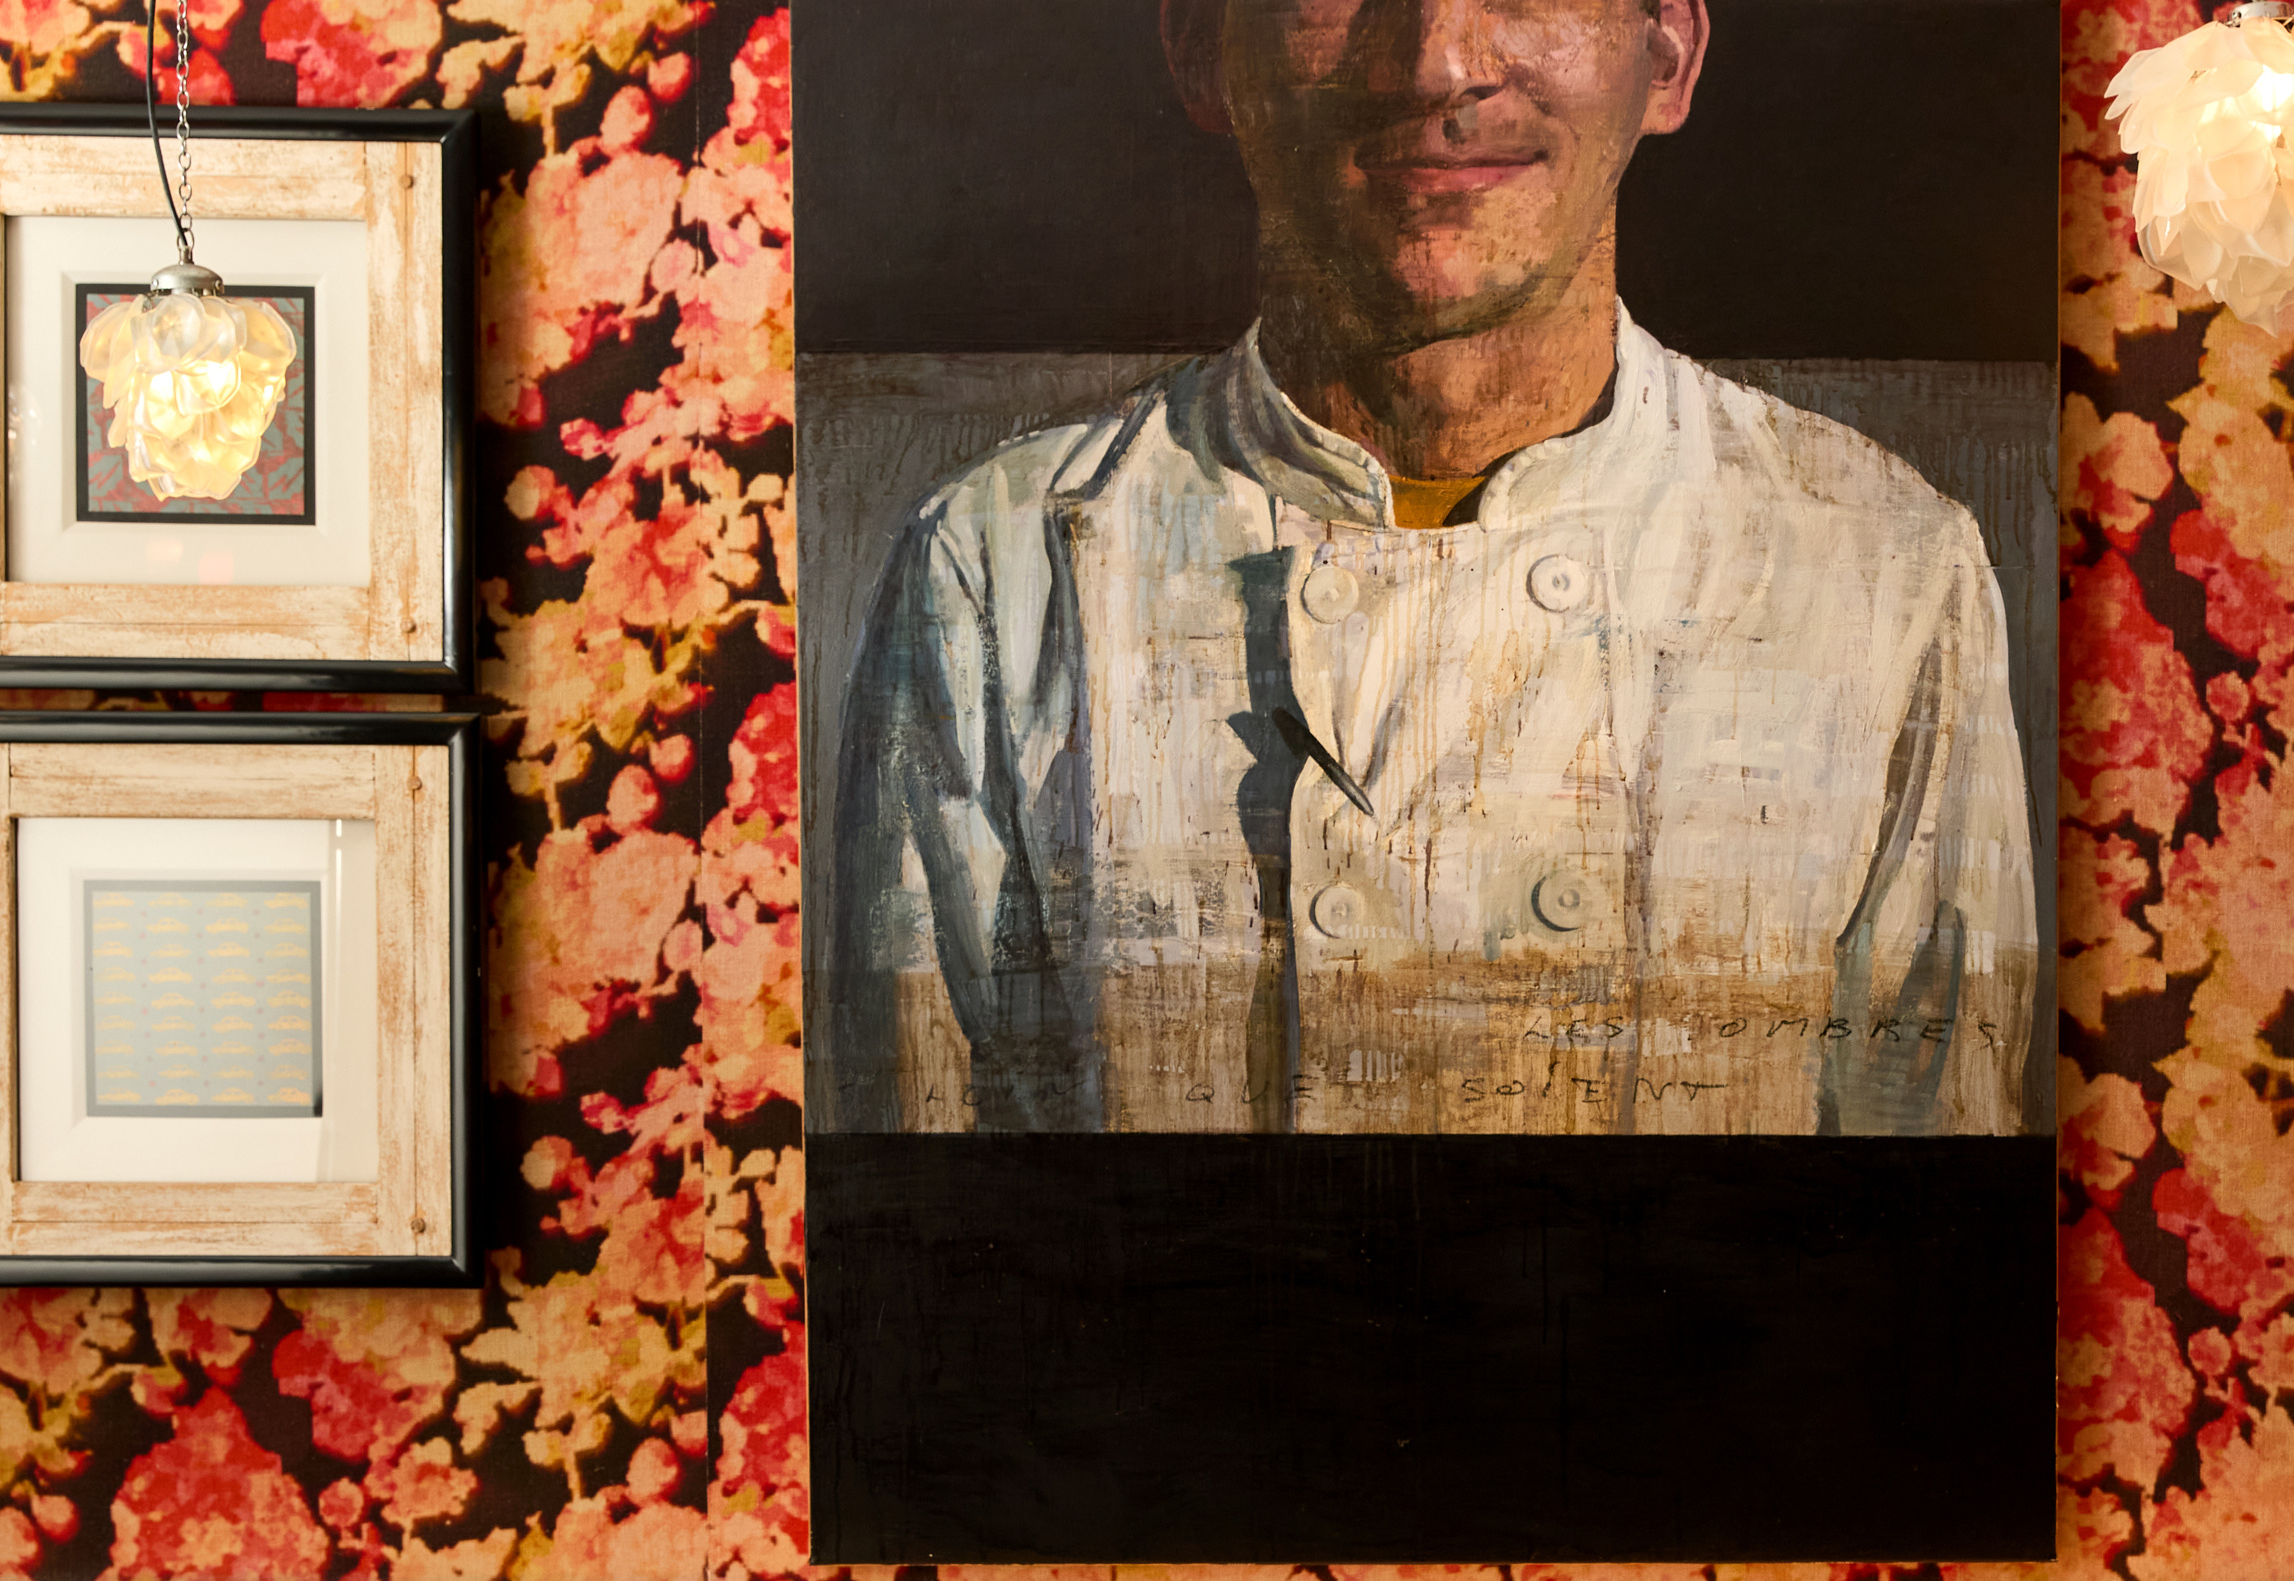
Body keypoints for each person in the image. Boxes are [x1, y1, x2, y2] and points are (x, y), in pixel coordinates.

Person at [824, 0, 2037, 1136]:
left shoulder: (1881, 565)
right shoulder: (1000, 563)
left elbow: (1938, 1186)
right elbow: (922, 1199)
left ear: (1666, 55)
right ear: (1201, 49)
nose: (1434, 64)